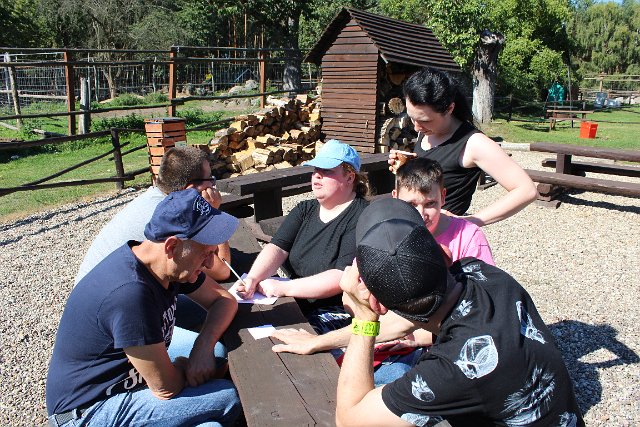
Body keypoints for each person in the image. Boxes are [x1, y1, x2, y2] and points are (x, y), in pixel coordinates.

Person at [335, 198, 584, 426]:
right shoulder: (486, 275)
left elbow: (348, 420)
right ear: (446, 255)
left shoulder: (452, 369)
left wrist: (364, 317)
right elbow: (412, 318)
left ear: (379, 304)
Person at [271, 158, 495, 385]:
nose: (421, 214)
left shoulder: (468, 237)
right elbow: (349, 296)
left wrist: (415, 336)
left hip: (436, 341)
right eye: (411, 205)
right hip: (378, 332)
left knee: (382, 379)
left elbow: (478, 312)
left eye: (430, 203)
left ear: (443, 197)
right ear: (395, 198)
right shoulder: (386, 231)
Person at [46, 189, 242, 427]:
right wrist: (184, 365)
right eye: (206, 254)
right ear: (171, 246)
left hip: (124, 376)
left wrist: (203, 345)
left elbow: (224, 300)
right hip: (88, 410)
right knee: (227, 397)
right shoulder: (130, 293)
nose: (211, 263)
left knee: (216, 354)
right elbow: (166, 388)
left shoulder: (164, 263)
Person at [75, 146, 231, 331]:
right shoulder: (172, 221)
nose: (213, 186)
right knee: (211, 315)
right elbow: (222, 270)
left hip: (96, 300)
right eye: (210, 180)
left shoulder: (159, 202)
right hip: (110, 316)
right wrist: (212, 212)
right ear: (192, 188)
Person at [235, 139, 369, 329]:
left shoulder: (363, 216)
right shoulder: (305, 209)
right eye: (316, 170)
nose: (317, 176)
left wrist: (284, 288)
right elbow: (277, 247)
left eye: (327, 171)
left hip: (337, 310)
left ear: (350, 177)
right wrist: (253, 278)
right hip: (297, 301)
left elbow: (342, 276)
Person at [388, 67, 537, 226]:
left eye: (425, 121)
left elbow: (526, 190)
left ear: (449, 109)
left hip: (445, 237)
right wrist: (407, 167)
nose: (416, 127)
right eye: (412, 118)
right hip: (415, 230)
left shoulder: (474, 143)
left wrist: (469, 221)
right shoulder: (426, 131)